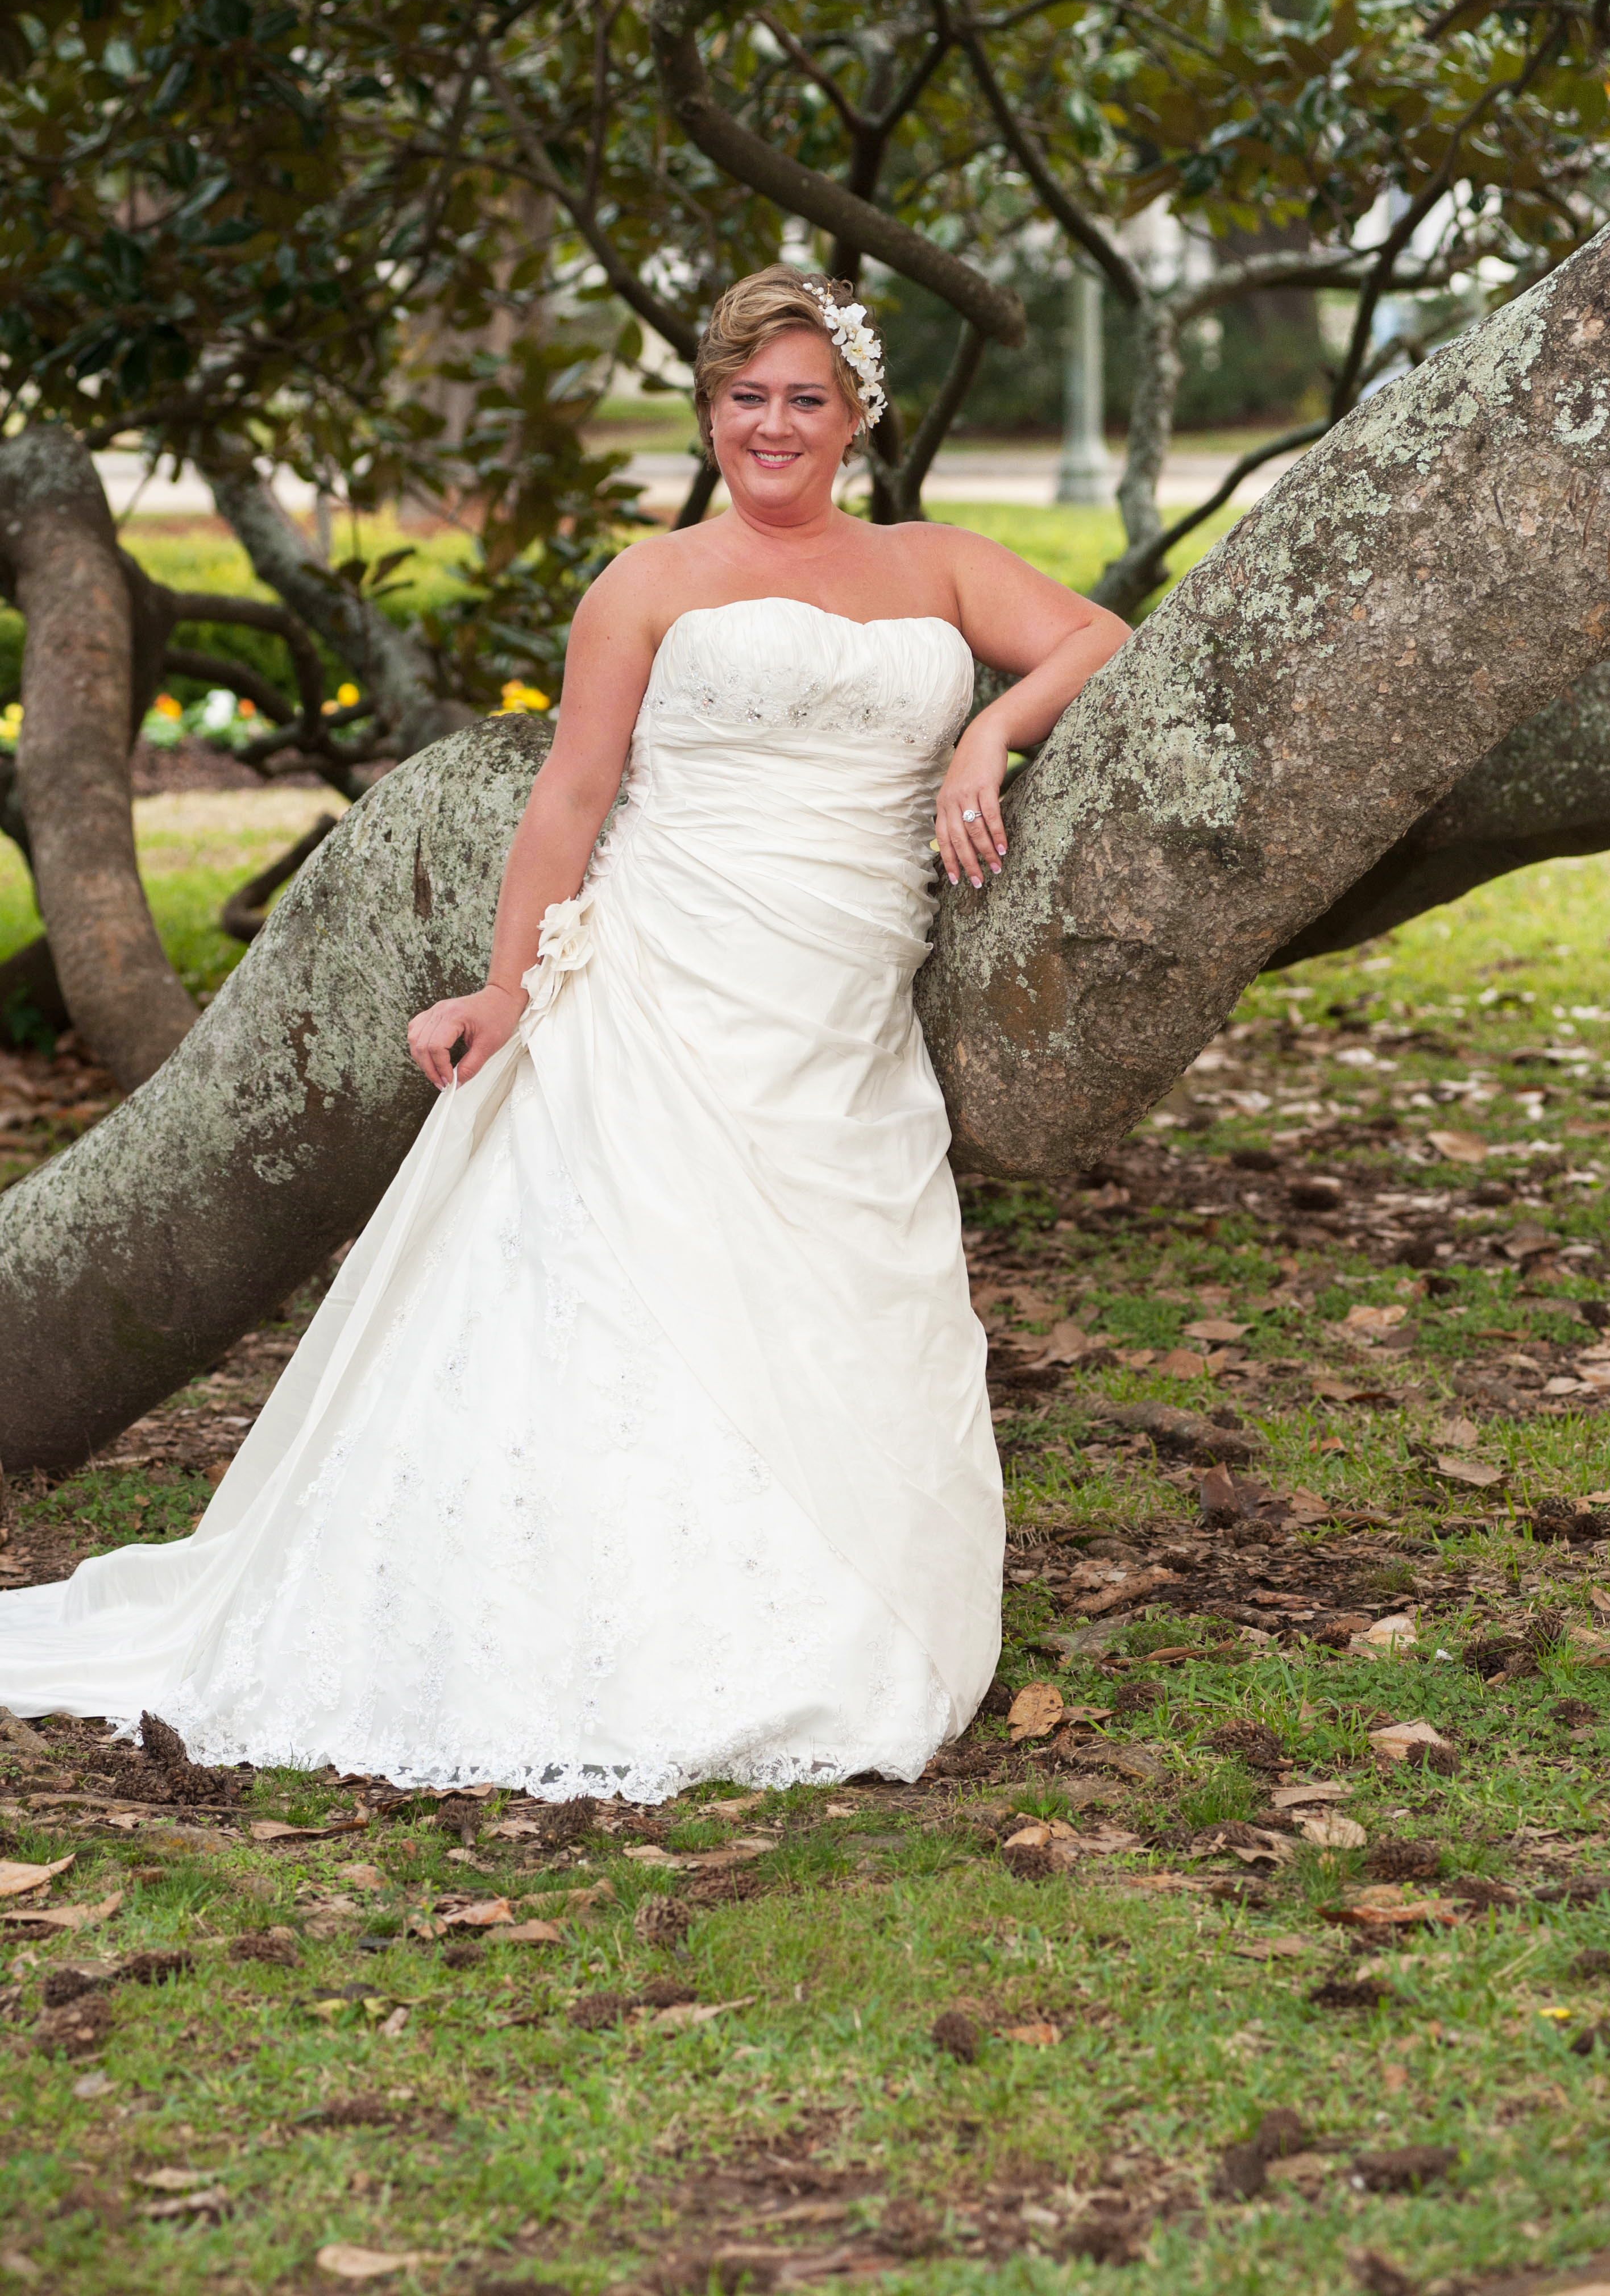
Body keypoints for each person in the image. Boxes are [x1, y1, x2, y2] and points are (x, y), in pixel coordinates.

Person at [0, 266, 1129, 1798]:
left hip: (844, 1007)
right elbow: (574, 794)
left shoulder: (935, 564)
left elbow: (1098, 638)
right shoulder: (650, 581)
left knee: (836, 1296)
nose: (776, 425)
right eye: (748, 397)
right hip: (665, 987)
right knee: (623, 1298)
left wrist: (989, 730)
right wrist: (502, 988)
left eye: (807, 398)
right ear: (711, 412)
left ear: (856, 414)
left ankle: (829, 1610)